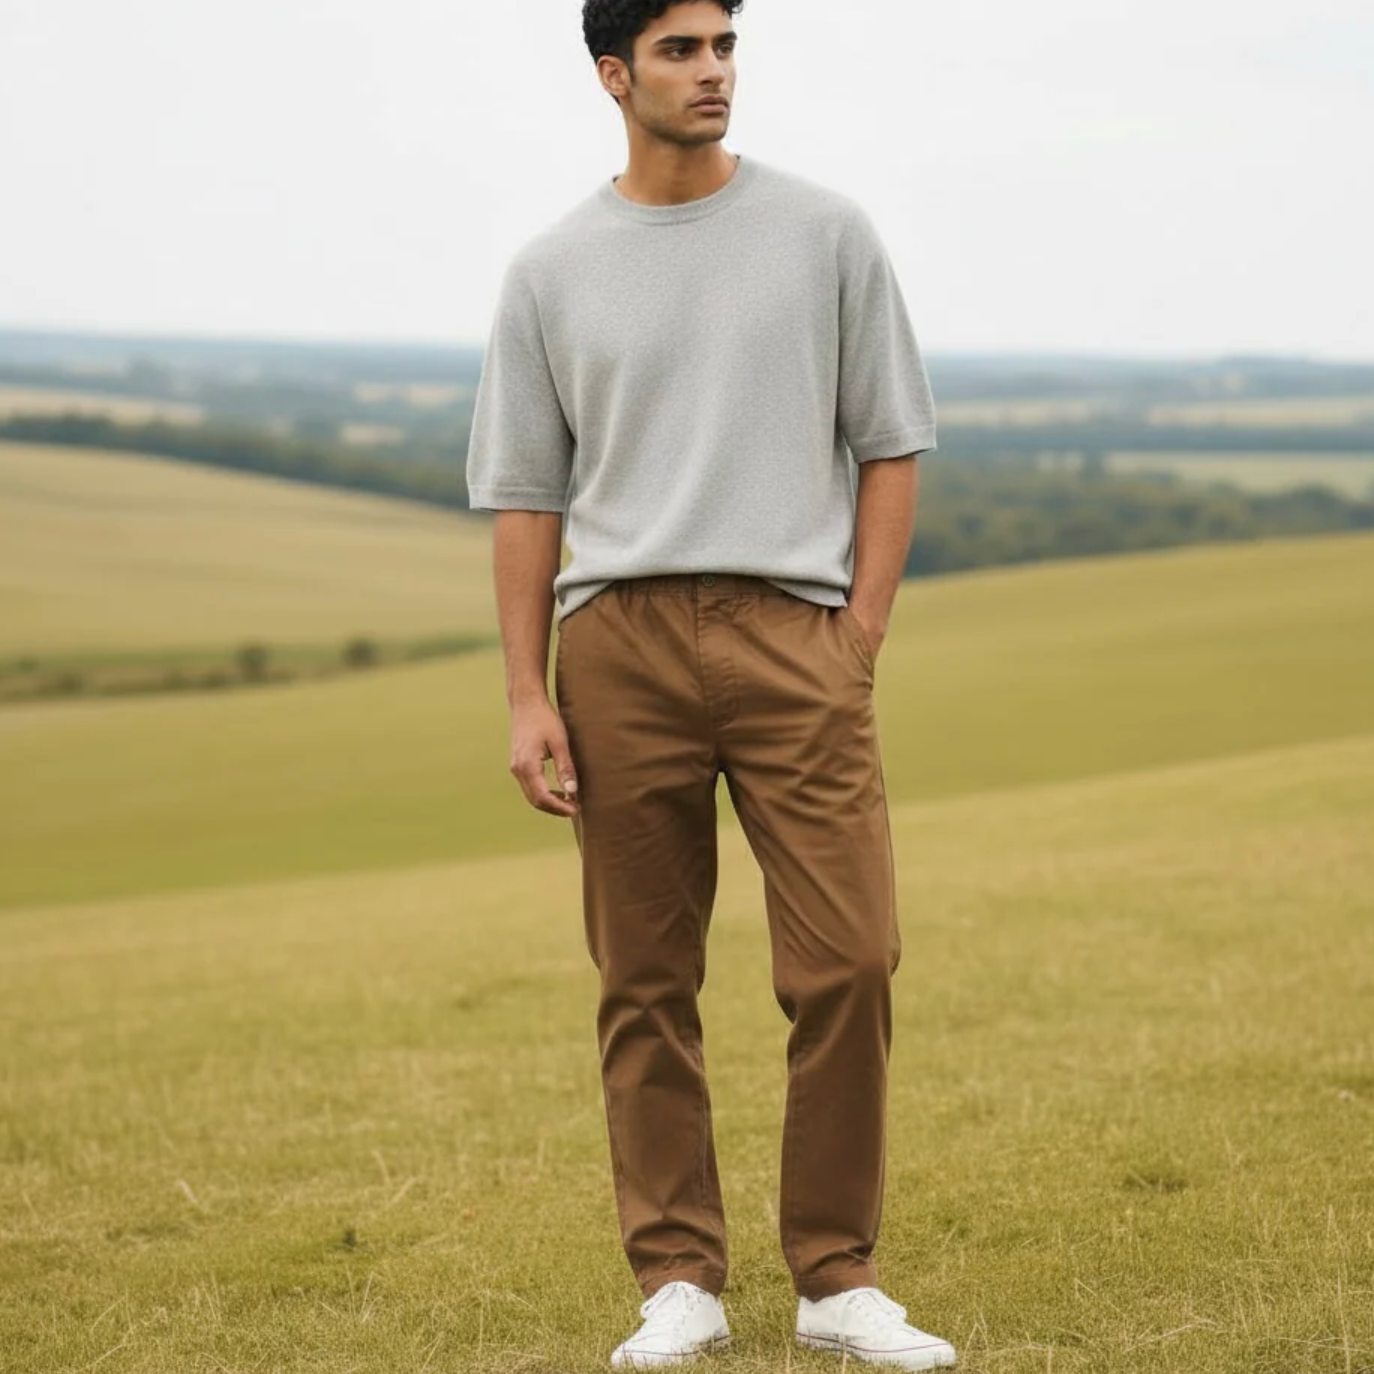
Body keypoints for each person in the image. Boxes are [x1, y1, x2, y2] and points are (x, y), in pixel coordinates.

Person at [465, 1, 953, 1367]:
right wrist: (525, 689)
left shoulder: (825, 234)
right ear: (613, 75)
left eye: (725, 45)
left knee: (851, 956)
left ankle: (835, 1275)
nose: (714, 72)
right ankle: (678, 1277)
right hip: (614, 644)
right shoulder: (550, 270)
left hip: (793, 635)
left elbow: (892, 441)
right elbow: (520, 495)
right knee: (642, 975)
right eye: (680, 51)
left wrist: (856, 633)